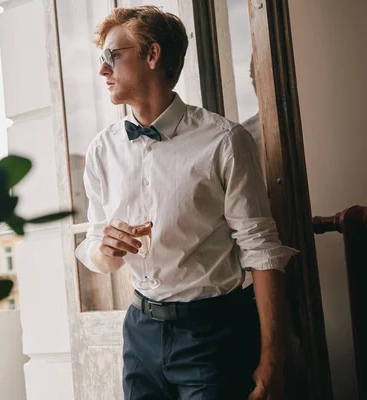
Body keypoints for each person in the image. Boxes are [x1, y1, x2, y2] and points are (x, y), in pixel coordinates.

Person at [74, 6, 298, 400]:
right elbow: (97, 248)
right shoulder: (101, 151)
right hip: (140, 331)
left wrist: (273, 358)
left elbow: (261, 249)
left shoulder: (224, 141)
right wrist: (104, 249)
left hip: (214, 334)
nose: (102, 70)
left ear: (152, 55)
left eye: (112, 56)